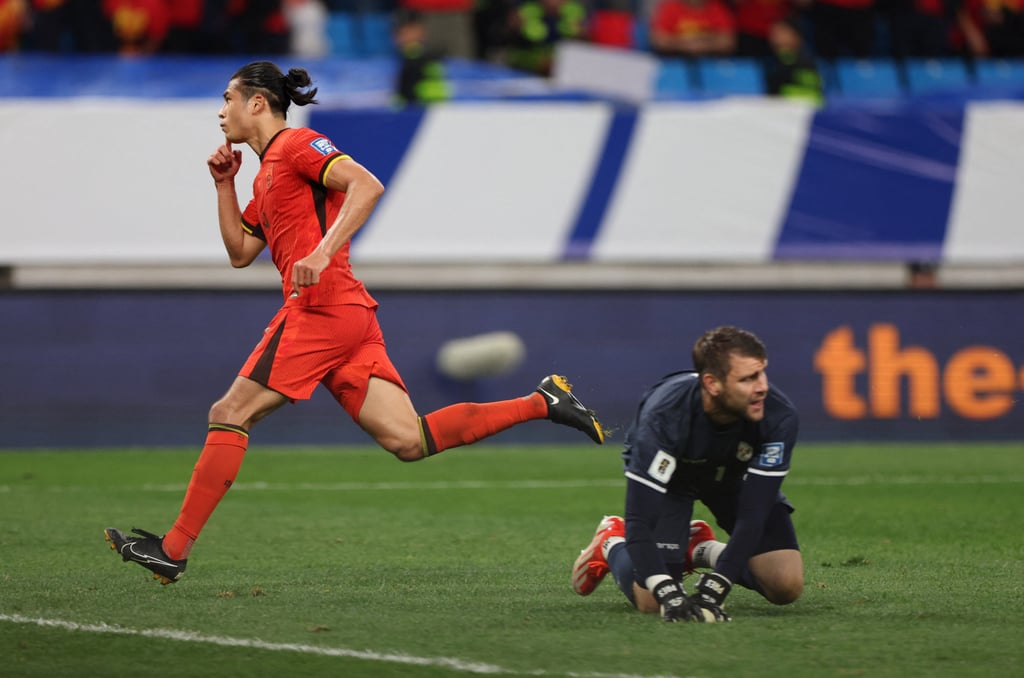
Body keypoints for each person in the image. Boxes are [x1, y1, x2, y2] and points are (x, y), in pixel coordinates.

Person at [104, 61, 604, 585]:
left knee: (230, 411)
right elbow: (240, 252)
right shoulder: (263, 174)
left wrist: (321, 253)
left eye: (228, 98)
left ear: (257, 103)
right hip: (349, 317)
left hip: (320, 310)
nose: (221, 110)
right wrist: (224, 184)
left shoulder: (298, 146)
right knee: (409, 441)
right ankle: (543, 401)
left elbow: (367, 185)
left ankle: (174, 549)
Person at [571, 326, 803, 622]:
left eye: (761, 373)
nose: (762, 387)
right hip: (675, 479)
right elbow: (640, 521)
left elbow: (753, 515)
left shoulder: (778, 415)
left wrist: (719, 584)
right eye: (747, 379)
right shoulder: (664, 417)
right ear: (712, 384)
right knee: (652, 603)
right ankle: (612, 542)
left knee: (785, 584)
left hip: (733, 477)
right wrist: (666, 590)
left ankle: (698, 548)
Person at [393, 9, 451, 106]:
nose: (410, 36)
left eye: (412, 31)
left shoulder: (430, 58)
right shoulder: (401, 61)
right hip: (416, 108)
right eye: (404, 33)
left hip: (431, 107)